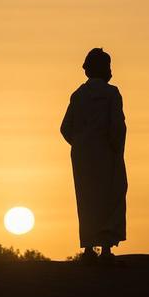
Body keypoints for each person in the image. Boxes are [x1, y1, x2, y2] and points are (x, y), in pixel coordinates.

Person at [60, 48, 128, 261]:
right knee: (110, 197)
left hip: (83, 158)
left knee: (87, 200)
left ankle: (88, 249)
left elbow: (65, 128)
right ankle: (106, 249)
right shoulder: (112, 94)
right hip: (107, 155)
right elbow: (117, 126)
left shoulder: (78, 95)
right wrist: (113, 149)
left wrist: (81, 145)